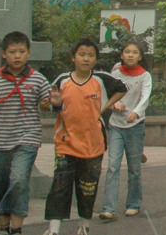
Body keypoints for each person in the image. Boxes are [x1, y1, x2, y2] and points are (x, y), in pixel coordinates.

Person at [42, 39, 127, 235]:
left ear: (95, 59)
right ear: (73, 58)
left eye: (90, 56)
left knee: (88, 188)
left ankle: (84, 225)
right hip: (65, 144)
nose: (86, 59)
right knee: (60, 187)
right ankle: (53, 230)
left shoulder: (101, 80)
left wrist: (104, 107)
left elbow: (122, 89)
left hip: (93, 145)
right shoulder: (62, 80)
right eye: (82, 55)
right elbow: (48, 105)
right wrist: (54, 104)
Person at [0, 31, 51, 235]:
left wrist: (51, 104)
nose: (17, 56)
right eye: (12, 52)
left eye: (21, 51)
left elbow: (50, 103)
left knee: (18, 180)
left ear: (28, 53)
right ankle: (3, 228)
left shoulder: (38, 79)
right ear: (4, 54)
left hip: (27, 139)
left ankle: (16, 229)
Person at [100, 40, 152, 221]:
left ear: (140, 56)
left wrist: (136, 112)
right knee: (113, 166)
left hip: (135, 126)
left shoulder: (145, 76)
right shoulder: (115, 74)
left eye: (134, 52)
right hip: (116, 125)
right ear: (122, 55)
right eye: (127, 52)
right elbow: (107, 94)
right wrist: (115, 104)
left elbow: (145, 97)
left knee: (134, 168)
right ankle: (109, 208)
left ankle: (133, 204)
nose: (130, 55)